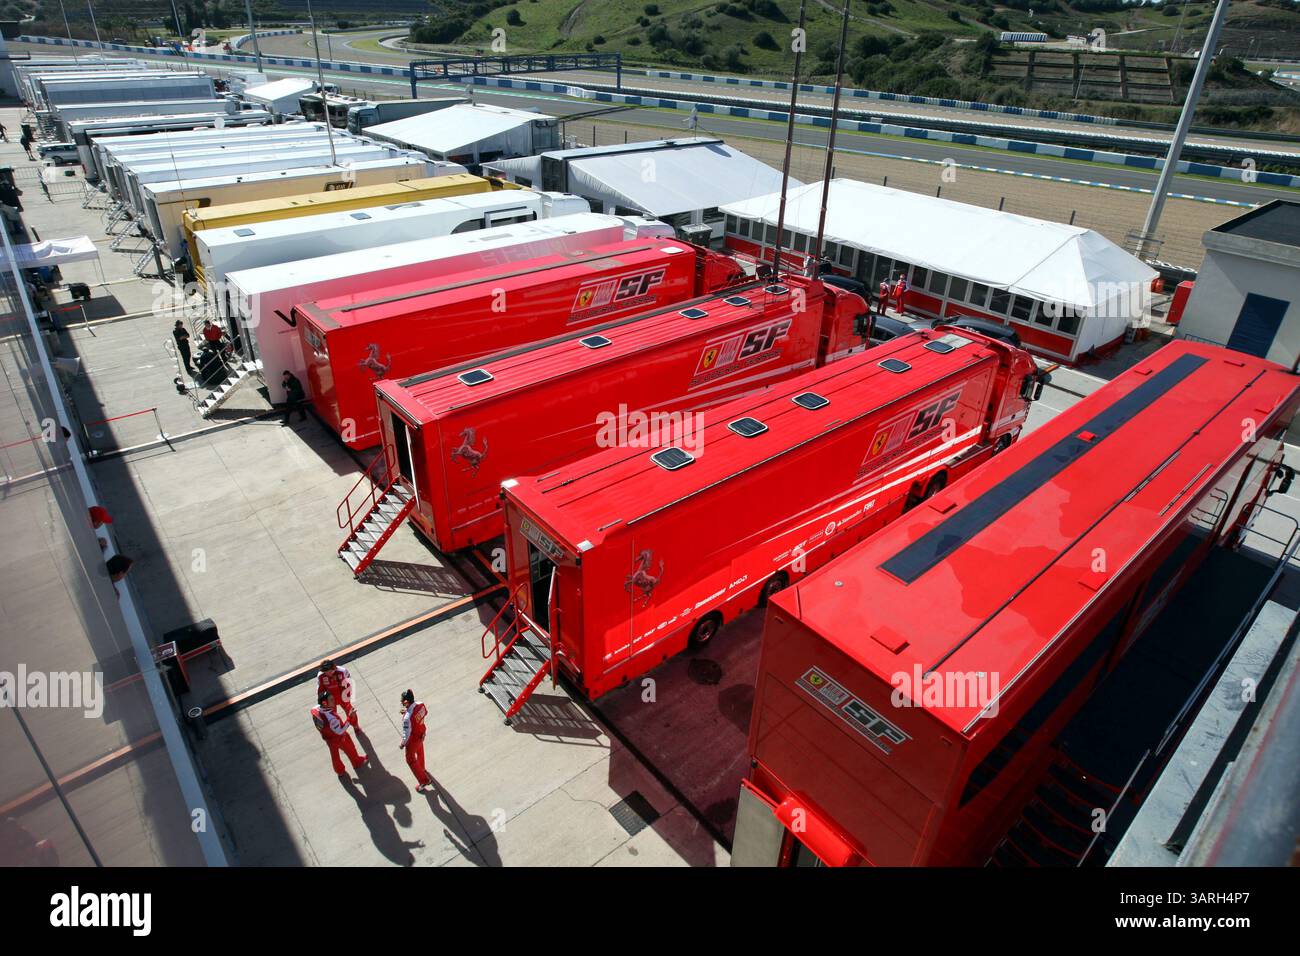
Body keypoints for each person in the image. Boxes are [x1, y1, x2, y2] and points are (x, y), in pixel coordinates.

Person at [312, 691, 367, 777]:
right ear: (324, 703)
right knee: (351, 750)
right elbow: (340, 730)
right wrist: (350, 717)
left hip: (328, 739)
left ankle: (339, 771)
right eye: (331, 700)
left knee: (335, 756)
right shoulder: (331, 719)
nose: (334, 701)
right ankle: (357, 762)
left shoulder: (315, 709)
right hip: (340, 738)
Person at [398, 689, 434, 793]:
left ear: (406, 702)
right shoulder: (421, 704)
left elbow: (406, 733)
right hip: (422, 734)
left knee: (410, 759)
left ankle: (424, 781)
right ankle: (422, 769)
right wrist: (408, 711)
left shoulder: (407, 718)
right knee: (420, 752)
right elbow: (423, 713)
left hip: (413, 740)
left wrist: (402, 744)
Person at [316, 659, 358, 730]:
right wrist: (323, 702)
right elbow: (320, 689)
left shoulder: (342, 671)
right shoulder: (320, 675)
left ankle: (356, 726)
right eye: (325, 671)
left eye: (329, 671)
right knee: (332, 717)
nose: (327, 673)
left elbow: (349, 683)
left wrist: (348, 696)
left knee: (351, 712)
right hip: (330, 700)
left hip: (343, 697)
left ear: (334, 668)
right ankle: (340, 729)